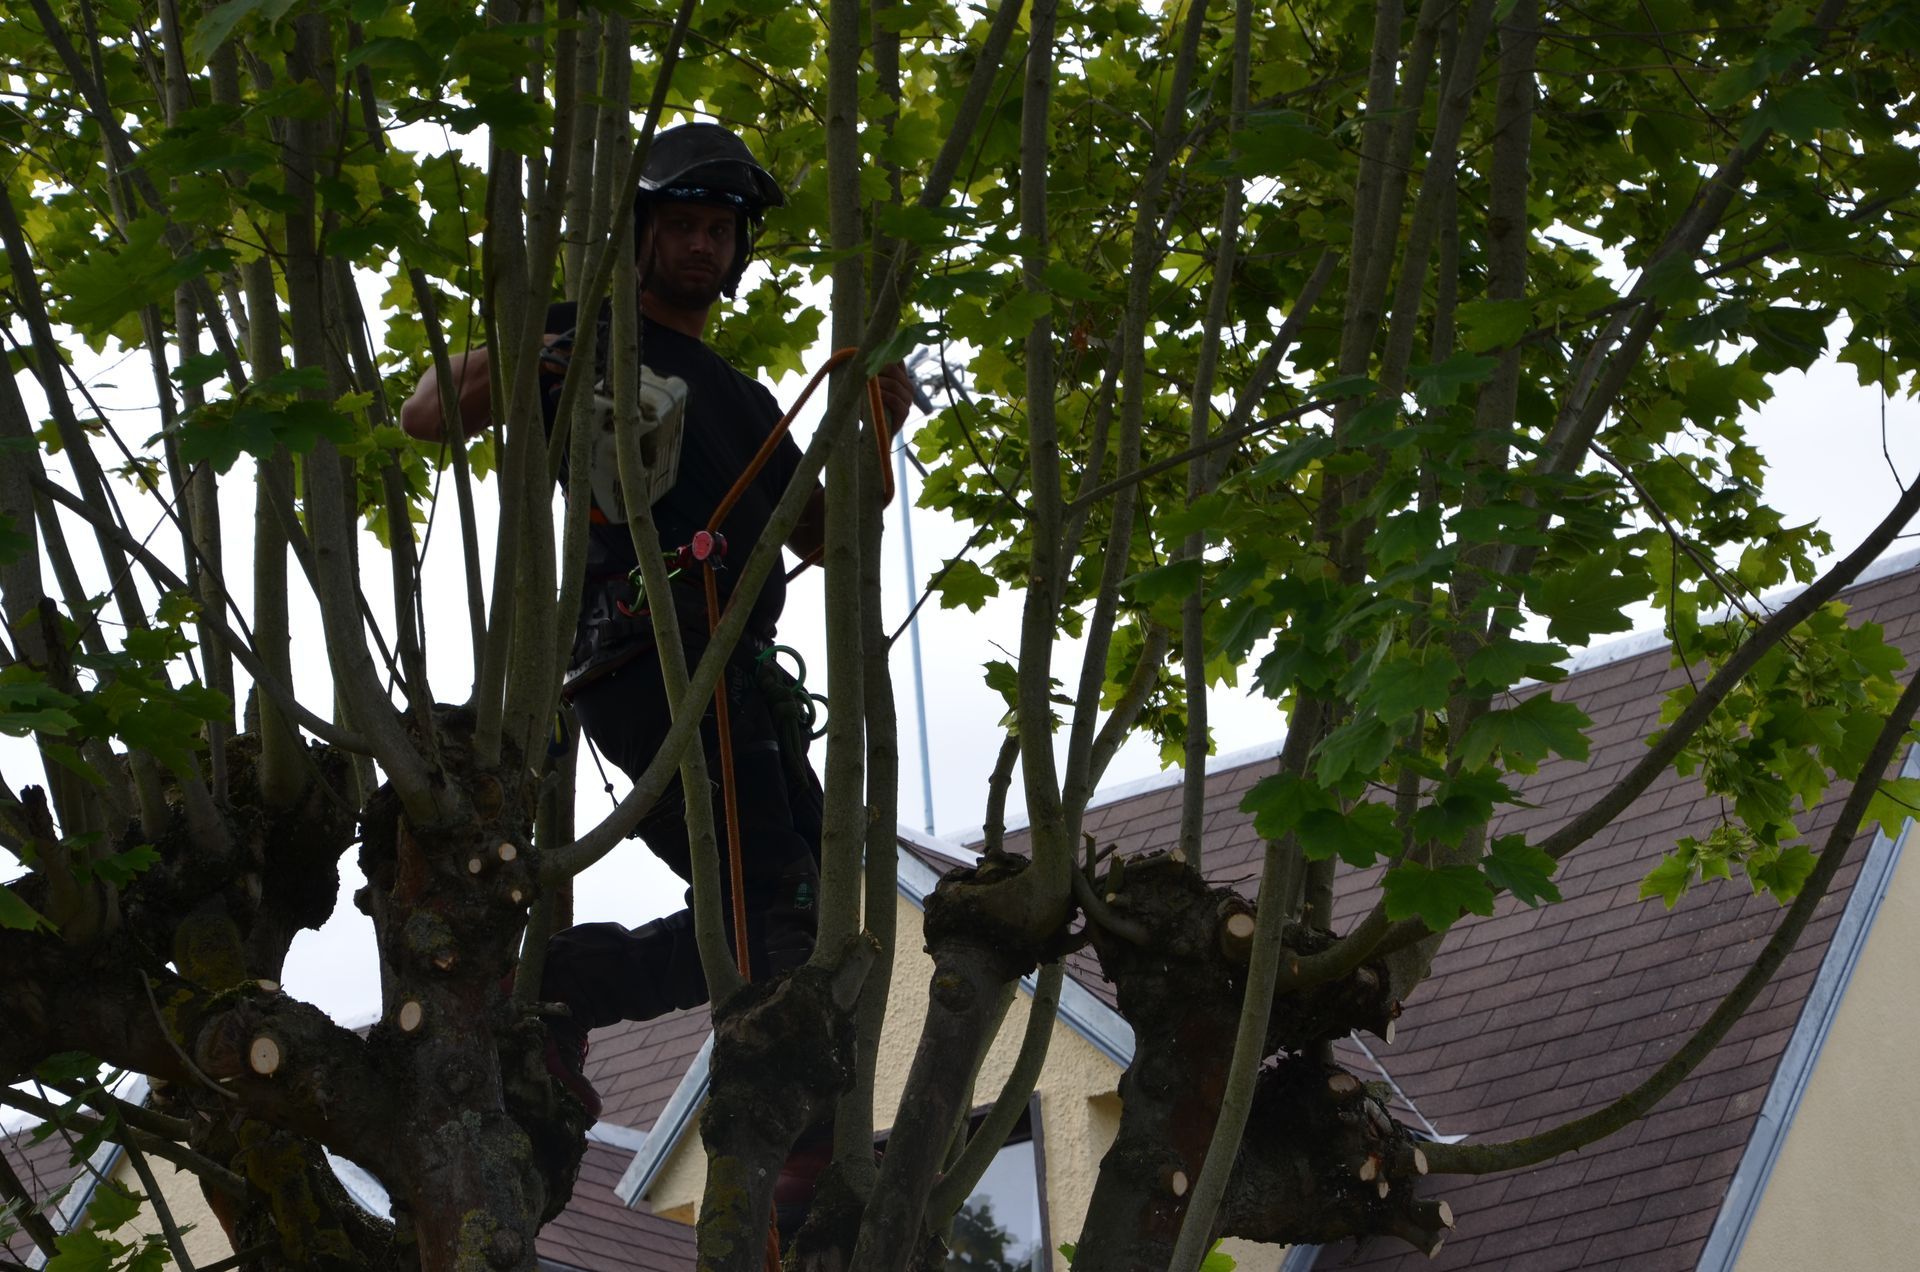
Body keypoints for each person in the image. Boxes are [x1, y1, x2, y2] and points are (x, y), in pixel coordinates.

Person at [401, 122, 912, 1108]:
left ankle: (567, 984)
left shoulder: (746, 402)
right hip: (649, 662)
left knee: (815, 905)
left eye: (719, 231)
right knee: (773, 908)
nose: (701, 246)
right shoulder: (587, 339)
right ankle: (771, 1122)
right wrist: (552, 352)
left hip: (737, 676)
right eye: (682, 225)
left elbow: (822, 534)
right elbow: (427, 412)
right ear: (641, 234)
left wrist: (870, 433)